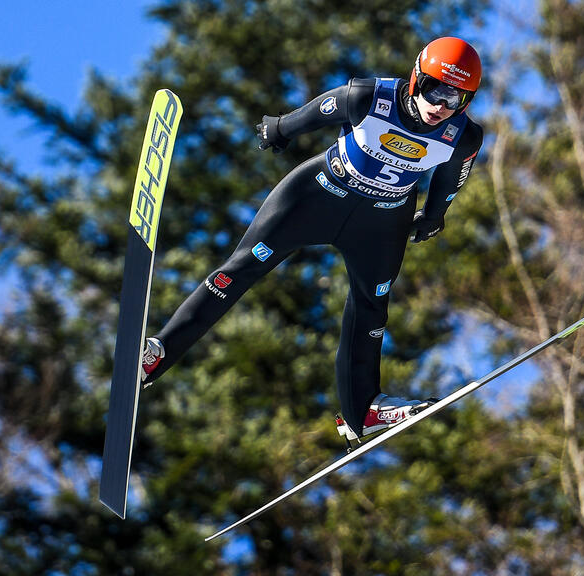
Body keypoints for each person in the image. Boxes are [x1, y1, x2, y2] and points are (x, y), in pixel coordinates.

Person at [139, 37, 484, 443]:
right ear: (416, 78)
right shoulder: (369, 96)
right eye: (435, 89)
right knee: (240, 269)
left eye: (456, 99)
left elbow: (450, 180)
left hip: (380, 224)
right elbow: (315, 112)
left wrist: (434, 216)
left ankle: (363, 413)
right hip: (317, 196)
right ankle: (156, 355)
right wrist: (279, 129)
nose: (441, 106)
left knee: (370, 309)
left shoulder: (462, 136)